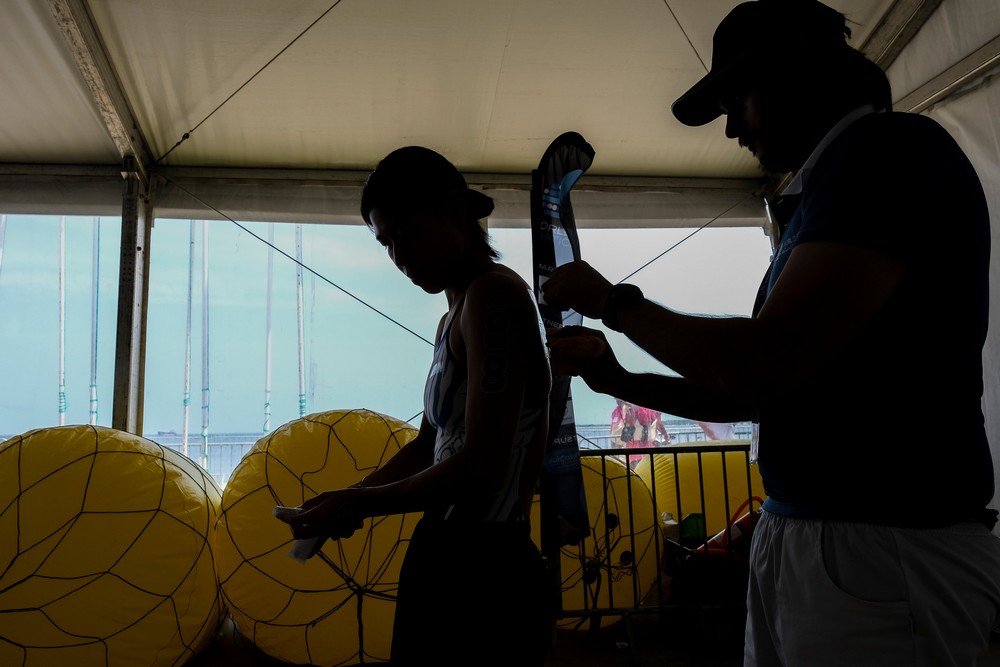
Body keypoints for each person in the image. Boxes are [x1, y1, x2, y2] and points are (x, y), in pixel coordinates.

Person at [541, 0, 1000, 665]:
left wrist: (613, 301)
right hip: (831, 544)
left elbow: (761, 367)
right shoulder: (838, 183)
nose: (731, 128)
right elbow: (770, 392)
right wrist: (620, 380)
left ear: (796, 75)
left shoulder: (886, 152)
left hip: (877, 549)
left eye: (736, 99)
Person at [275, 146, 553, 667]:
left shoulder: (495, 295)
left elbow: (484, 466)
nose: (400, 257)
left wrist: (358, 505)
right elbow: (430, 445)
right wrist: (346, 497)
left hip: (490, 564)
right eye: (386, 243)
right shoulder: (452, 315)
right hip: (445, 551)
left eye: (408, 234)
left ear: (453, 210)